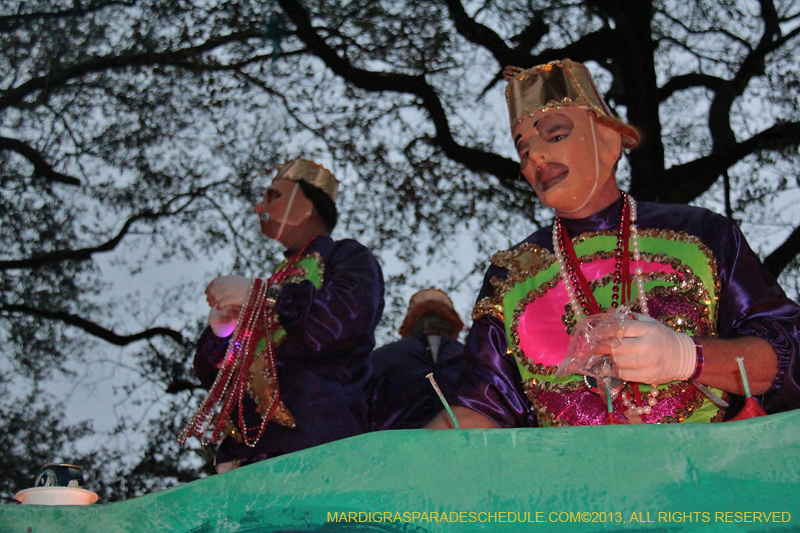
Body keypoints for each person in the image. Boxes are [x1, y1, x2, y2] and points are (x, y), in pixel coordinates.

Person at [427, 59, 800, 429]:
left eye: (555, 135)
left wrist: (688, 356)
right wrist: (411, 452)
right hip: (571, 469)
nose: (535, 156)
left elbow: (787, 357)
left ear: (608, 140)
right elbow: (485, 404)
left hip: (708, 464)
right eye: (523, 151)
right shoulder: (510, 276)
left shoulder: (703, 234)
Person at [183, 158, 385, 471]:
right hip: (241, 458)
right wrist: (221, 333)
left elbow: (343, 320)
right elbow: (219, 373)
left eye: (273, 196)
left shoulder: (346, 256)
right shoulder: (274, 278)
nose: (258, 208)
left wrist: (267, 296)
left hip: (316, 448)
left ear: (307, 206)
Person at [367, 288, 465, 430]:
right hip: (472, 437)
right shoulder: (478, 360)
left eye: (439, 304)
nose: (432, 309)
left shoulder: (379, 358)